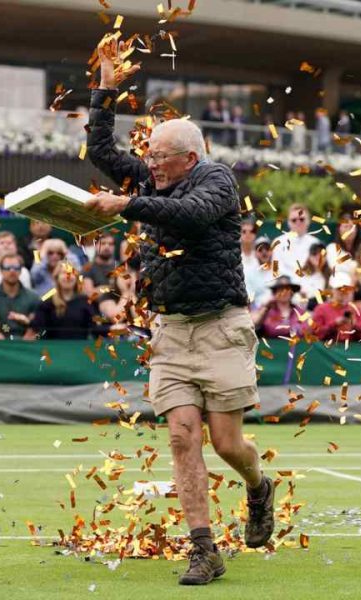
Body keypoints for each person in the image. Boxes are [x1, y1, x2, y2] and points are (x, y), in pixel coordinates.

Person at [83, 38, 273, 586]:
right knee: (182, 436)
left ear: (188, 157)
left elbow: (187, 216)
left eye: (158, 157)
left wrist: (125, 204)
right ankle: (204, 549)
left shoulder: (215, 180)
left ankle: (258, 488)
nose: (148, 165)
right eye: (148, 157)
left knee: (227, 443)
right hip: (171, 330)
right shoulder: (150, 179)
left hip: (221, 328)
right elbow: (102, 152)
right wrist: (105, 92)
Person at [0, 254, 41, 340]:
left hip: (26, 345)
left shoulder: (33, 297)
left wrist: (22, 345)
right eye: (7, 267)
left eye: (16, 267)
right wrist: (8, 346)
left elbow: (34, 329)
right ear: (1, 270)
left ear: (21, 270)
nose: (12, 271)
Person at [30, 262, 96, 339]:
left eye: (71, 273)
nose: (68, 276)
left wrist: (110, 328)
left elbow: (95, 328)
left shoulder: (85, 302)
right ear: (57, 278)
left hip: (78, 349)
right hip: (52, 349)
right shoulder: (47, 304)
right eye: (64, 273)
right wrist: (27, 321)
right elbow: (36, 329)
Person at [310, 272, 361, 343]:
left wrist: (355, 325)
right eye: (339, 289)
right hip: (328, 350)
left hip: (353, 350)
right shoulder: (321, 309)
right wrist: (335, 324)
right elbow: (315, 334)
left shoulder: (356, 309)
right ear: (331, 290)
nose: (343, 291)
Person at [271, 203, 321, 279]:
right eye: (294, 220)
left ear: (308, 221)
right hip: (286, 286)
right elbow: (276, 270)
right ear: (288, 222)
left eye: (302, 219)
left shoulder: (316, 243)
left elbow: (317, 271)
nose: (298, 222)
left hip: (309, 286)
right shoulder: (278, 242)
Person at [325, 210, 361, 278]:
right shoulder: (332, 248)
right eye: (345, 226)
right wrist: (354, 267)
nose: (349, 230)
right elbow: (334, 268)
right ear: (339, 229)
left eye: (351, 227)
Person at [244, 236, 274, 308]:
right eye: (260, 249)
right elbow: (249, 297)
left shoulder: (281, 270)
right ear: (255, 254)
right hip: (258, 312)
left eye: (267, 249)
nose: (264, 252)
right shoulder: (249, 273)